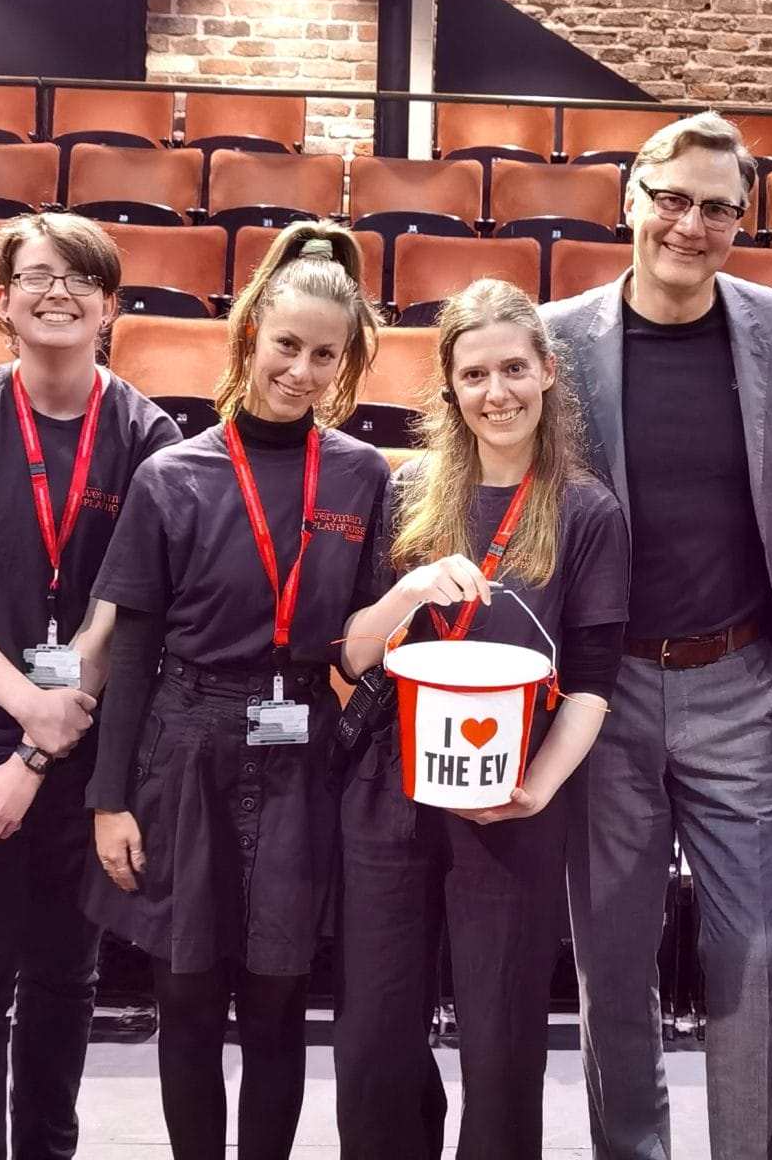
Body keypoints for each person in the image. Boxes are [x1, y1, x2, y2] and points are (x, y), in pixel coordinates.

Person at [81, 220, 386, 1160]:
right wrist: (108, 799)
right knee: (186, 996)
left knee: (279, 999)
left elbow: (371, 638)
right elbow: (131, 651)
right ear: (251, 334)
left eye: (324, 354)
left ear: (345, 365)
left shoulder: (363, 475)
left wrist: (346, 742)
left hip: (302, 749)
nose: (300, 368)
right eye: (286, 344)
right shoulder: (173, 475)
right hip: (187, 741)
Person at [542, 111, 772, 1160]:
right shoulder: (556, 335)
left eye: (714, 206)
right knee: (612, 957)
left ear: (739, 222)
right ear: (628, 199)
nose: (688, 224)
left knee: (750, 952)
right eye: (670, 197)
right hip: (601, 693)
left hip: (737, 676)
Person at [333, 277, 630, 1160]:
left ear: (546, 372)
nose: (494, 392)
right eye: (472, 375)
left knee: (501, 1049)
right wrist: (413, 587)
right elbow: (349, 654)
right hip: (389, 794)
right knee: (374, 1040)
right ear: (450, 387)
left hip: (511, 799)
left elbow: (594, 682)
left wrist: (536, 791)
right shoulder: (406, 490)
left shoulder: (586, 510)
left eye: (512, 369)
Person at [0, 212, 180, 1159]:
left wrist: (42, 741)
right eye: (35, 276)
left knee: (66, 980)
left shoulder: (149, 434)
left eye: (80, 278)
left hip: (81, 748)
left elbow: (123, 616)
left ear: (111, 305)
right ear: (0, 304)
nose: (56, 292)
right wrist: (26, 706)